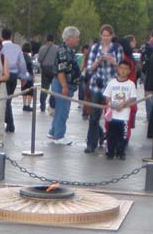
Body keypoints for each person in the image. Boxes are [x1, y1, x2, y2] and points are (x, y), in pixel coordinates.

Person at [84, 24, 123, 153]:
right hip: (97, 85)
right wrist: (99, 60)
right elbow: (89, 68)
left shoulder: (118, 48)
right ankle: (91, 143)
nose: (106, 38)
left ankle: (114, 145)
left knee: (114, 116)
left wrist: (113, 62)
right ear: (100, 35)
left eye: (108, 35)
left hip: (113, 86)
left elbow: (123, 70)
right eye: (104, 35)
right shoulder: (95, 48)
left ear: (112, 36)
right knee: (94, 115)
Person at [48, 26, 81, 145]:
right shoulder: (64, 51)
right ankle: (59, 135)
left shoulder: (69, 51)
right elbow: (61, 71)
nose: (78, 39)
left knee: (59, 110)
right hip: (63, 84)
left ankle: (53, 131)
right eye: (77, 37)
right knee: (63, 110)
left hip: (65, 84)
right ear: (70, 38)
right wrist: (64, 86)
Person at [103, 59, 137, 159]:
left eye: (126, 69)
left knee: (123, 135)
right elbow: (107, 95)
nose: (123, 71)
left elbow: (133, 98)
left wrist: (123, 104)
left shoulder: (131, 84)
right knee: (111, 135)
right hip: (113, 115)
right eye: (121, 68)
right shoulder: (112, 82)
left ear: (129, 71)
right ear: (118, 69)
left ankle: (121, 152)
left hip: (124, 116)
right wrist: (110, 104)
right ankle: (110, 152)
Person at [0, 28, 27, 133]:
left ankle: (10, 123)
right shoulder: (17, 48)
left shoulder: (0, 48)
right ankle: (6, 120)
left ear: (2, 36)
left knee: (5, 100)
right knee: (9, 99)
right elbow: (22, 63)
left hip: (3, 74)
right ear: (11, 36)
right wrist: (23, 76)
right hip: (14, 75)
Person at [37, 34, 58, 112]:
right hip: (54, 70)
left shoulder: (42, 48)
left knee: (44, 88)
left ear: (46, 39)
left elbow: (39, 59)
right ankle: (52, 104)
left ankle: (42, 105)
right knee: (54, 88)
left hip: (45, 70)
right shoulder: (57, 48)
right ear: (53, 40)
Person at [21, 42, 34, 111]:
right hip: (29, 75)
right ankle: (28, 105)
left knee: (24, 90)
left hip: (23, 75)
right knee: (30, 91)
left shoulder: (21, 55)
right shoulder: (29, 56)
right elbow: (30, 67)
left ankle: (24, 104)